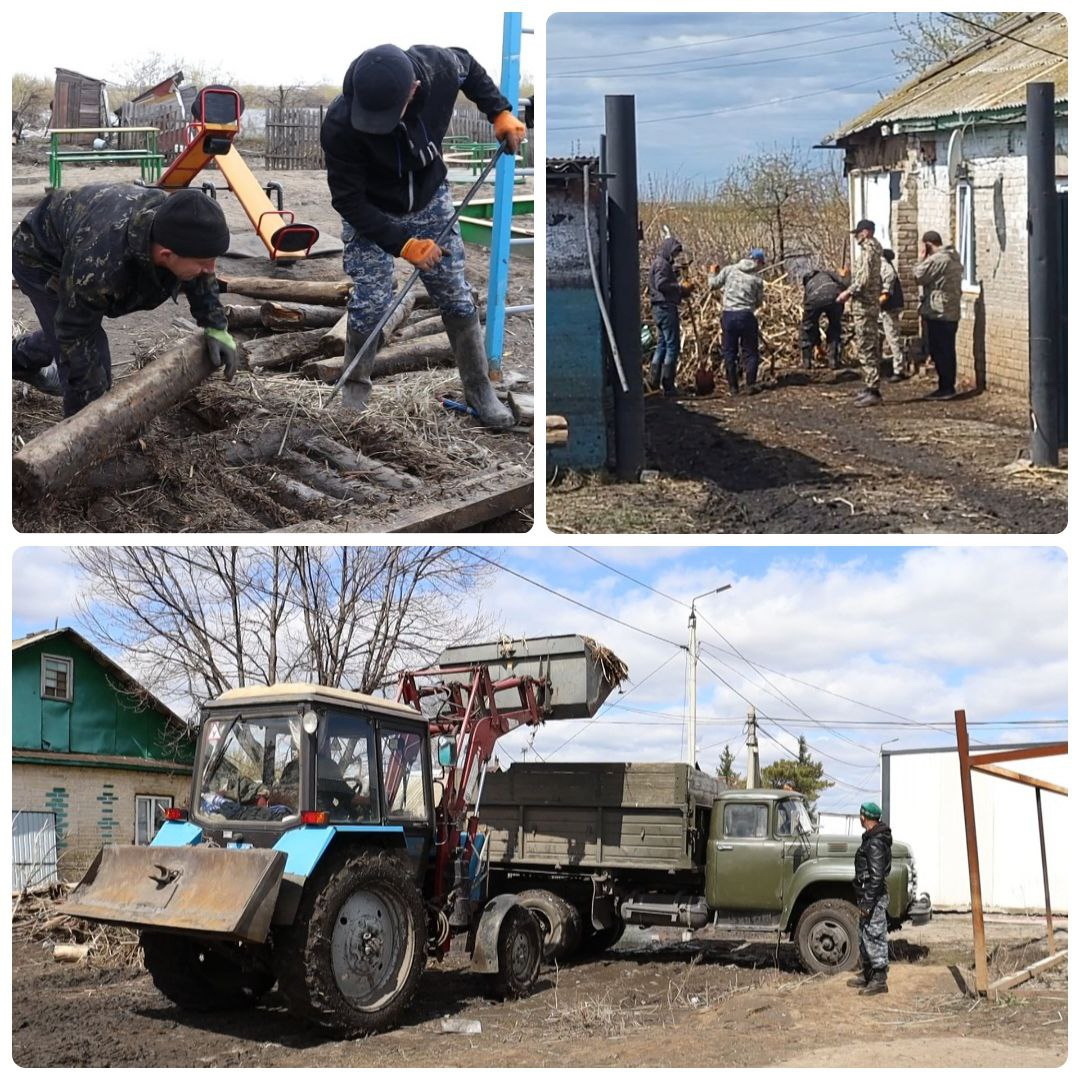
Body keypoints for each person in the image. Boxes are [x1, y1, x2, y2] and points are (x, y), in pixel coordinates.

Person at [320, 44, 526, 427]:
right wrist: (402, 244)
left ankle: (480, 390)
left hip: (430, 199)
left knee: (454, 292)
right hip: (372, 208)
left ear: (413, 89)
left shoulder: (438, 68)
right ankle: (354, 394)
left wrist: (498, 110)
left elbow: (469, 66)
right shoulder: (340, 123)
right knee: (371, 299)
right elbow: (348, 201)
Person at [12, 185, 236, 417]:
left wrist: (216, 326)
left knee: (61, 329)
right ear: (166, 255)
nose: (211, 269)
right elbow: (74, 330)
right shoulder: (100, 264)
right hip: (39, 256)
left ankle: (15, 359)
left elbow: (200, 276)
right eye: (205, 262)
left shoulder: (178, 227)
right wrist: (90, 420)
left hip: (81, 249)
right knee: (88, 366)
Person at [837, 220, 884, 407]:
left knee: (866, 347)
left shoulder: (869, 251)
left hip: (865, 306)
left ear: (866, 232)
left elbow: (863, 280)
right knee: (868, 345)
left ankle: (874, 390)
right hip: (868, 304)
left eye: (858, 232)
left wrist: (847, 292)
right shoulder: (873, 250)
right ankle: (869, 385)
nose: (856, 236)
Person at [912, 230, 964, 401]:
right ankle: (946, 385)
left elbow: (918, 276)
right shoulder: (953, 256)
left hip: (939, 311)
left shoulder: (939, 258)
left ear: (928, 244)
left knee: (941, 350)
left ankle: (946, 387)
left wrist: (921, 258)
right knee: (947, 349)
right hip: (950, 309)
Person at [708, 248, 765, 394]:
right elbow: (758, 302)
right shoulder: (757, 279)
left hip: (729, 316)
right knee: (751, 352)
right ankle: (750, 384)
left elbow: (712, 284)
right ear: (758, 262)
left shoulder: (729, 270)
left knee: (729, 352)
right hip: (747, 316)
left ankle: (733, 387)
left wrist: (712, 272)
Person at [850, 800, 892, 995]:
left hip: (873, 897)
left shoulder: (875, 842)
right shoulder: (872, 838)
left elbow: (876, 877)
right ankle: (868, 975)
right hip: (868, 895)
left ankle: (879, 979)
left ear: (863, 816)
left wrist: (867, 902)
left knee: (875, 935)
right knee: (865, 934)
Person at [646, 236, 693, 395]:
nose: (675, 256)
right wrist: (679, 288)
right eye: (674, 252)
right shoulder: (661, 264)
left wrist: (676, 274)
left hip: (660, 308)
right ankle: (668, 384)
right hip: (665, 307)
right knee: (672, 345)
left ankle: (654, 382)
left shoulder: (662, 264)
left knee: (662, 344)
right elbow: (661, 284)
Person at [800, 265, 848, 369]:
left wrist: (817, 344)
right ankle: (833, 360)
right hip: (835, 296)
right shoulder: (828, 274)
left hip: (815, 298)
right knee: (835, 326)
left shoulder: (809, 285)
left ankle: (806, 361)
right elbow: (843, 285)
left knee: (807, 327)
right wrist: (843, 276)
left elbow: (812, 323)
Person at [880, 249, 907, 382]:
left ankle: (899, 370)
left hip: (890, 307)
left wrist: (873, 305)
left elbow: (886, 294)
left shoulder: (886, 270)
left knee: (893, 337)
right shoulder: (886, 267)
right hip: (887, 307)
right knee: (886, 335)